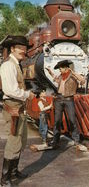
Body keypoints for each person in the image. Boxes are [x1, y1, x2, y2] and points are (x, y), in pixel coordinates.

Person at [0, 35, 35, 187]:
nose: (23, 50)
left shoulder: (17, 64)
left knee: (22, 140)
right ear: (12, 49)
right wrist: (27, 94)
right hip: (13, 109)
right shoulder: (8, 65)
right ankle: (4, 178)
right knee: (14, 142)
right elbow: (10, 90)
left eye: (24, 48)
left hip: (19, 109)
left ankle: (14, 172)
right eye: (19, 48)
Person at [46, 60, 85, 149]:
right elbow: (56, 80)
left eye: (60, 69)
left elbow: (82, 80)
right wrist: (51, 73)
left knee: (72, 120)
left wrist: (73, 72)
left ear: (66, 68)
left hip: (69, 99)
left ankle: (76, 140)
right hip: (59, 99)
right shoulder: (61, 76)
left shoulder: (73, 76)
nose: (59, 70)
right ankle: (55, 140)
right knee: (57, 121)